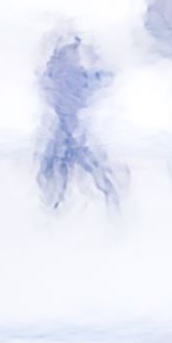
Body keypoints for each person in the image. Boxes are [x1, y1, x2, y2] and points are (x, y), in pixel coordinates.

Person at [36, 33, 119, 211]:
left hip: (71, 131)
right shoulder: (64, 74)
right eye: (73, 51)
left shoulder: (73, 75)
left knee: (80, 169)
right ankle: (52, 209)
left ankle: (112, 202)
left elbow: (104, 78)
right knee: (57, 172)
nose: (76, 55)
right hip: (67, 131)